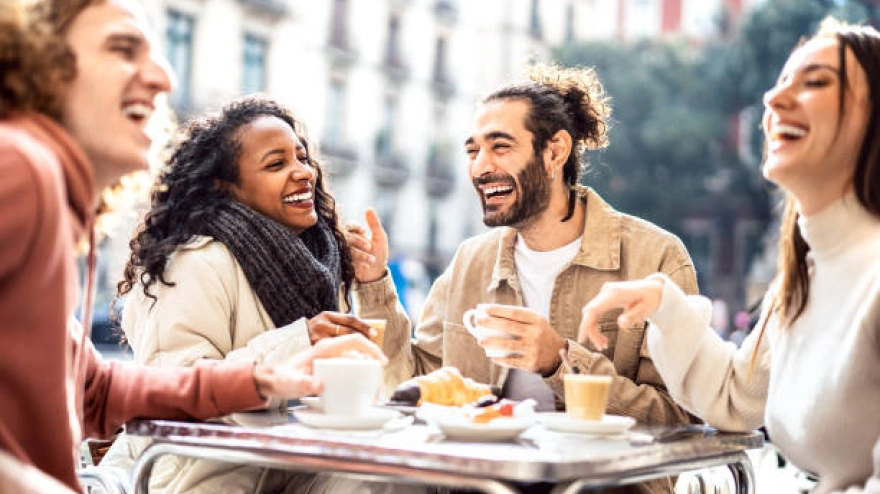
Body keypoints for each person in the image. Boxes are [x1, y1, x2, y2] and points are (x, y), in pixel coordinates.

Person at [0, 1, 385, 492]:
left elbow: (95, 392)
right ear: (37, 70)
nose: (163, 76)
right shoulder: (21, 169)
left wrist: (265, 380)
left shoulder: (47, 191)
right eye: (123, 49)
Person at [348, 65, 700, 494]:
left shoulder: (656, 258)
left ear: (555, 152)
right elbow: (412, 384)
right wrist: (372, 282)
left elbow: (681, 422)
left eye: (500, 147)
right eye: (472, 151)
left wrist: (560, 361)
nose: (480, 167)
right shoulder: (469, 262)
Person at [577, 18, 880, 494]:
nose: (773, 101)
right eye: (779, 84)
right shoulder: (805, 278)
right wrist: (663, 303)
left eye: (816, 82)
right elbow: (738, 396)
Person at [100, 95, 392, 493]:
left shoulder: (321, 259)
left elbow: (385, 381)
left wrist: (373, 283)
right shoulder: (194, 262)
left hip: (290, 465)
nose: (303, 173)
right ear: (226, 186)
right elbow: (175, 388)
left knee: (389, 481)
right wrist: (301, 341)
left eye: (302, 158)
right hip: (203, 475)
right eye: (276, 164)